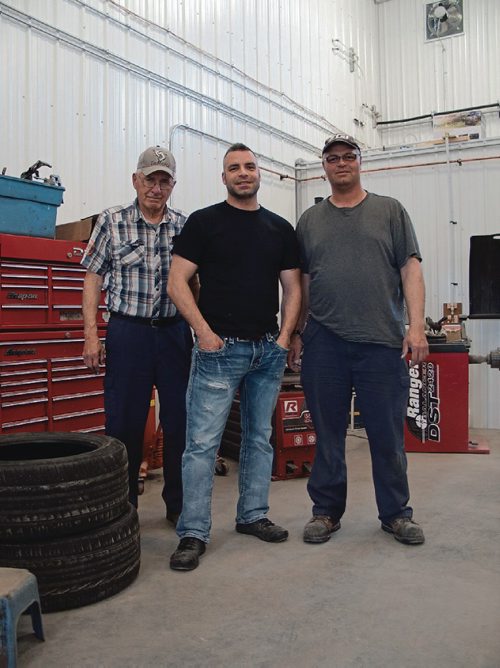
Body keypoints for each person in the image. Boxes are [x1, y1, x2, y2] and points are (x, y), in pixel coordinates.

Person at [288, 133, 429, 546]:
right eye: (333, 158)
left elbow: (411, 270)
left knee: (386, 435)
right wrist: (298, 331)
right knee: (328, 435)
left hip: (381, 344)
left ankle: (396, 514)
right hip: (324, 344)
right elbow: (303, 283)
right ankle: (326, 512)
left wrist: (415, 326)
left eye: (349, 156)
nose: (341, 163)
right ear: (324, 166)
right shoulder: (310, 221)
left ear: (359, 162)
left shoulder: (390, 211)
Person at [166, 143, 302, 571]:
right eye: (234, 168)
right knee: (202, 446)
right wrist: (204, 334)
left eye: (249, 166)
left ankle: (253, 515)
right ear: (223, 178)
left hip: (266, 350)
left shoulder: (280, 228)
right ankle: (193, 531)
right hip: (218, 351)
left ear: (259, 174)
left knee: (259, 439)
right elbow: (176, 282)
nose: (243, 173)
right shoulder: (204, 223)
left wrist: (283, 339)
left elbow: (294, 289)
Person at [81, 145, 194, 524]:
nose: (156, 188)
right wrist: (91, 335)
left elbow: (196, 285)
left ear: (172, 185)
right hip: (128, 333)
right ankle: (124, 507)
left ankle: (177, 507)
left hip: (174, 334)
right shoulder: (113, 220)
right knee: (124, 424)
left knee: (179, 422)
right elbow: (93, 277)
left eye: (164, 181)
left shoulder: (183, 225)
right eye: (150, 179)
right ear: (136, 180)